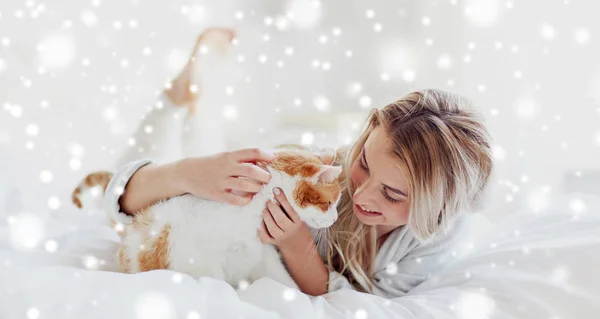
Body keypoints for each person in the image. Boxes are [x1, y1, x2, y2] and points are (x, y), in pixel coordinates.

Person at [105, 28, 493, 298]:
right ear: (367, 131)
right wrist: (189, 174)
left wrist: (295, 244)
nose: (361, 193)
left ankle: (194, 100)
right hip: (238, 164)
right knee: (184, 165)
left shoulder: (436, 242)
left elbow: (361, 304)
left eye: (393, 194)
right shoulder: (317, 171)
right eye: (363, 162)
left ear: (438, 209)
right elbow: (118, 201)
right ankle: (179, 97)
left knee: (204, 145)